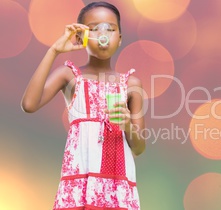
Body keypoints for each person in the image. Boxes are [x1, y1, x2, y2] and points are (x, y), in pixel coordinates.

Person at [21, 1, 145, 209]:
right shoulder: (69, 75)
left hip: (117, 185)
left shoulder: (131, 85)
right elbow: (29, 104)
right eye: (94, 29)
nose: (103, 35)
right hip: (80, 181)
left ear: (120, 38)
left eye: (110, 29)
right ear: (80, 37)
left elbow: (139, 148)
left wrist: (127, 126)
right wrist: (54, 50)